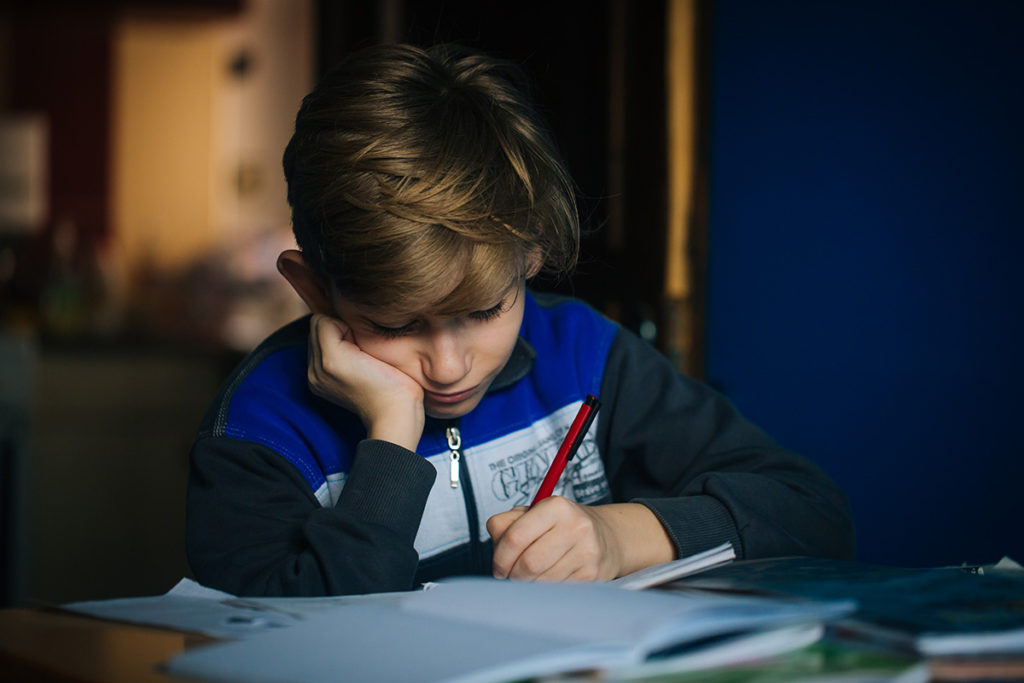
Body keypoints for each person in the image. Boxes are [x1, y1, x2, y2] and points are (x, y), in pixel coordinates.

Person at [186, 43, 855, 597]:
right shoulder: (259, 426)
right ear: (313, 288)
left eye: (483, 310)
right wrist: (390, 439)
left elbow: (812, 511)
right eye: (394, 324)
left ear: (530, 254)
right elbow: (286, 646)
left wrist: (619, 537)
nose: (449, 366)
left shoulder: (584, 355)